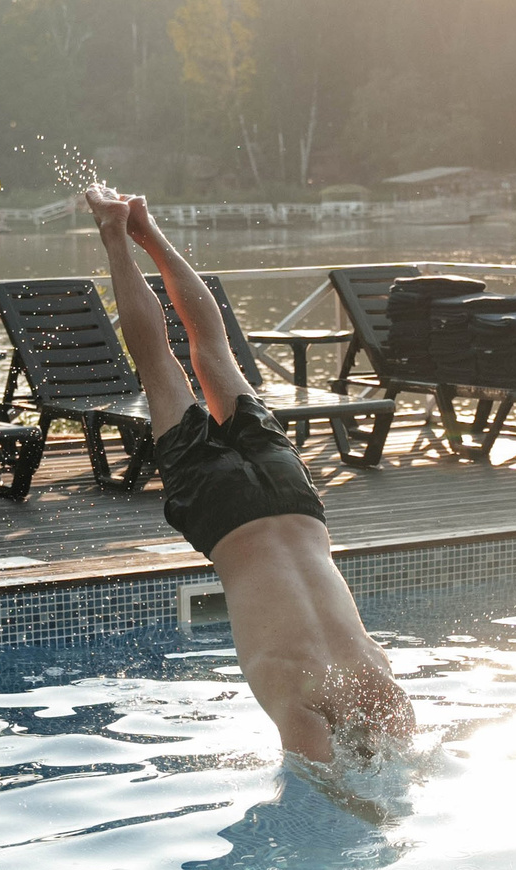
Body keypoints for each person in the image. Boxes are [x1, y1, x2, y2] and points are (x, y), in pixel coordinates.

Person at [84, 185, 415, 767]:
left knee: (213, 352)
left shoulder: (379, 682)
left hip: (292, 499)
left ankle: (146, 228)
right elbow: (335, 796)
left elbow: (399, 760)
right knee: (159, 365)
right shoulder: (308, 707)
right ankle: (115, 232)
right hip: (225, 515)